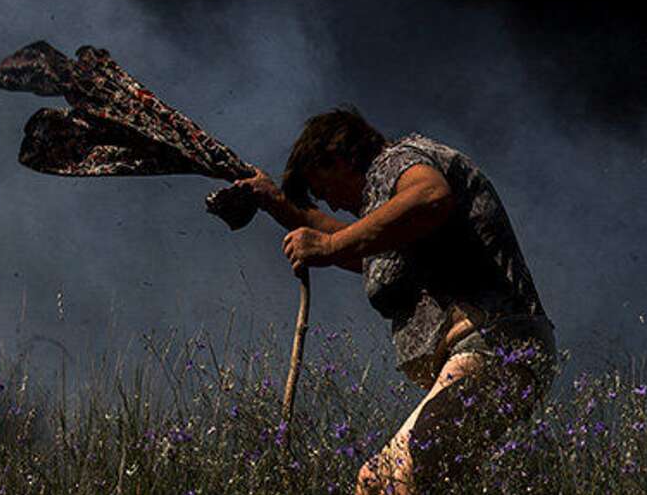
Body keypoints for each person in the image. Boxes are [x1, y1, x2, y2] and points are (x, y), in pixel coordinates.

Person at [235, 108, 557, 495]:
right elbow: (364, 248)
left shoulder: (396, 161)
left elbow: (429, 195)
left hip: (494, 346)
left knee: (396, 481)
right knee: (377, 481)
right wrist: (282, 208)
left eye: (327, 190)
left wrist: (331, 244)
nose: (333, 205)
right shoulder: (389, 207)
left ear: (341, 158)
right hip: (487, 353)